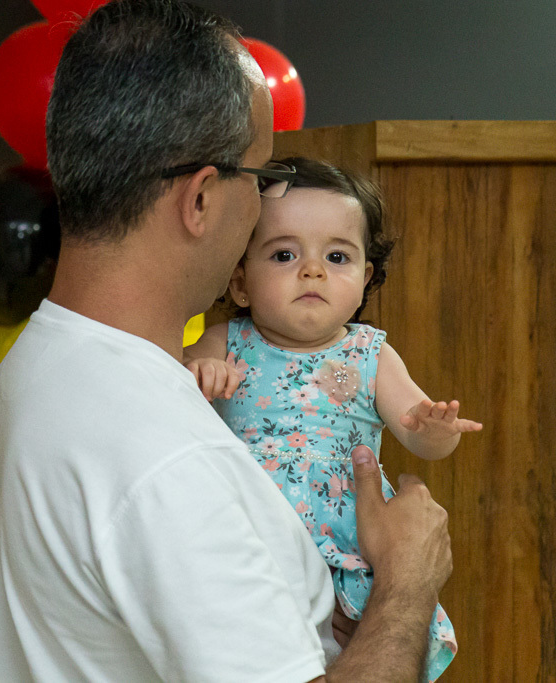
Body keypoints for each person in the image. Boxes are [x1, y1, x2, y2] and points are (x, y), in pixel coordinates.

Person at [0, 1, 453, 681]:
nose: (261, 208)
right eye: (260, 179)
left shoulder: (38, 362)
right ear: (200, 199)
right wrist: (408, 581)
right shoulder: (167, 455)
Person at [183, 156, 482, 681]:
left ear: (364, 279)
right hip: (249, 535)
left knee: (351, 653)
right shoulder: (224, 341)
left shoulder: (370, 355)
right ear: (240, 281)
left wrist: (434, 430)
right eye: (284, 254)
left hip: (345, 543)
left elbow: (419, 434)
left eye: (337, 256)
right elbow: (176, 404)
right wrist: (200, 373)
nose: (313, 270)